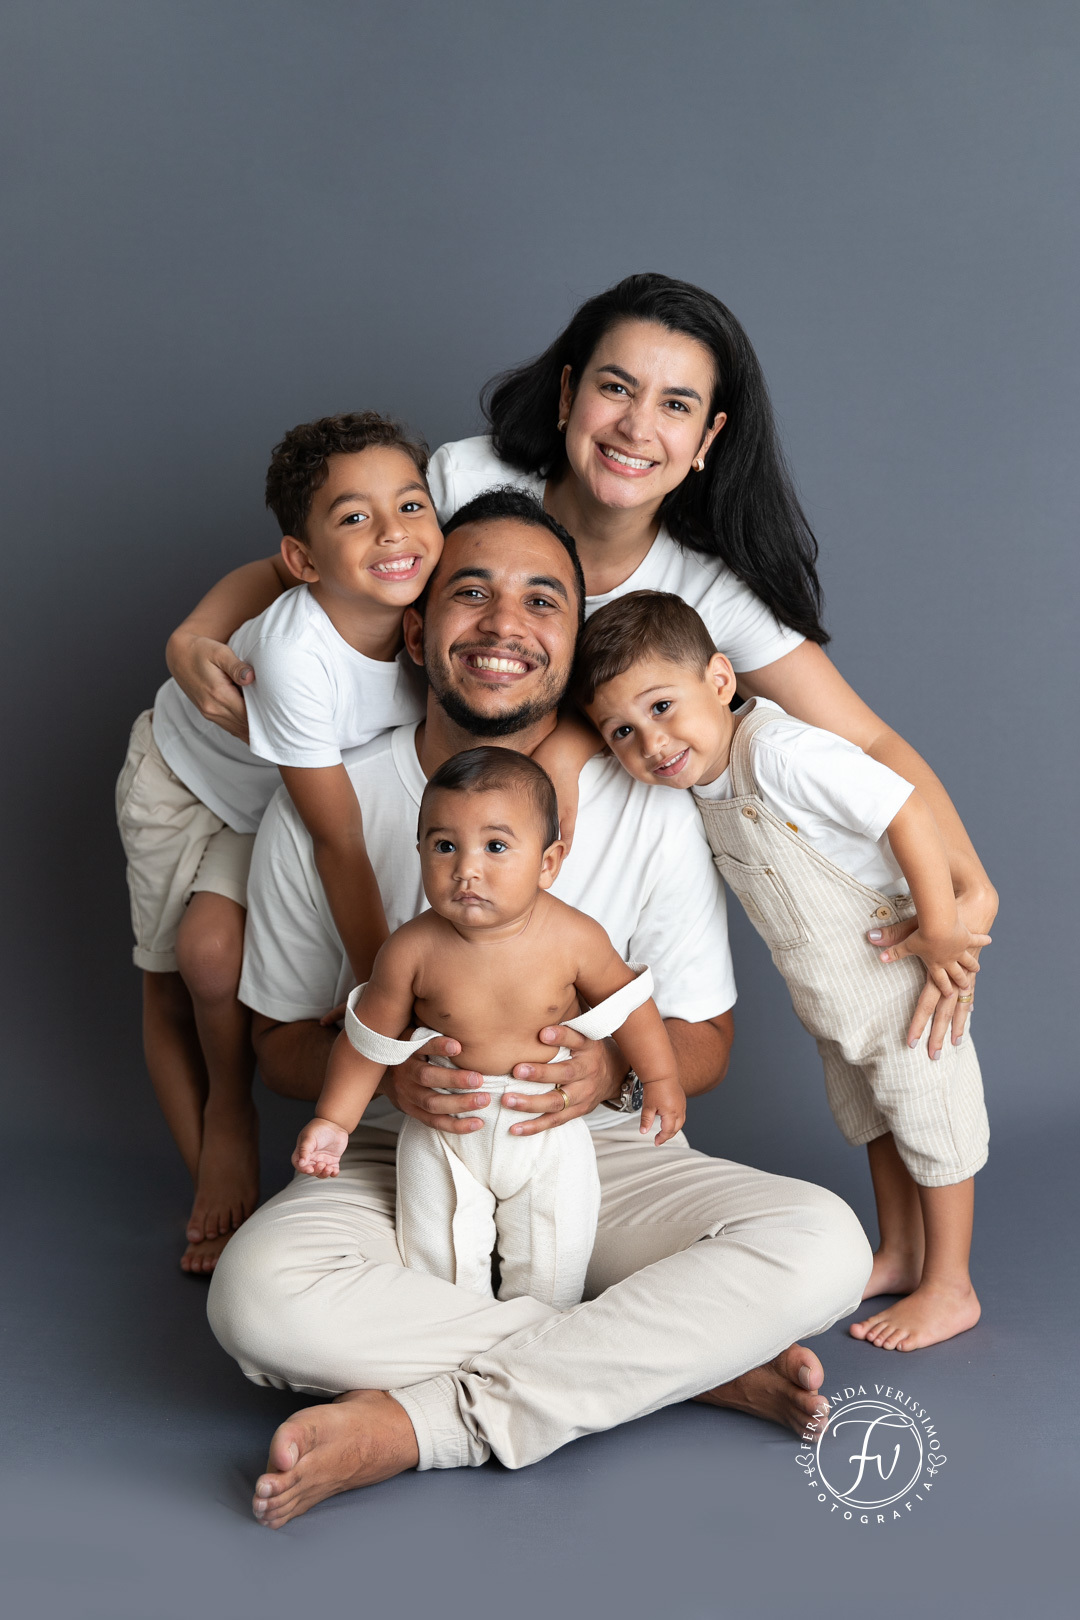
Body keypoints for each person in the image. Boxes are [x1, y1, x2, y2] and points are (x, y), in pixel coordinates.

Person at [206, 489, 873, 1529]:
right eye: (470, 593)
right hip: (401, 1151)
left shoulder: (642, 798)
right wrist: (388, 1078)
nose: (505, 624)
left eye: (543, 601)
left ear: (571, 646)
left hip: (590, 1148)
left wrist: (609, 1071)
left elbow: (703, 1039)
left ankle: (429, 1423)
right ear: (418, 633)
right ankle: (675, 1363)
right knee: (255, 1300)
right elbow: (281, 1046)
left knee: (824, 1244)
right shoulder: (328, 798)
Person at [164, 273, 998, 1064]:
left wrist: (969, 879)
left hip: (452, 809)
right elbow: (306, 570)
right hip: (289, 763)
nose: (637, 426)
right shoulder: (464, 482)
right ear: (567, 396)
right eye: (616, 387)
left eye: (676, 405)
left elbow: (867, 741)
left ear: (707, 440)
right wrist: (193, 635)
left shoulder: (710, 592)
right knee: (198, 959)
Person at [572, 590, 990, 1350]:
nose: (652, 742)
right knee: (877, 1118)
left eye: (662, 706)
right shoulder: (703, 785)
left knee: (932, 1120)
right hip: (834, 995)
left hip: (898, 977)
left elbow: (903, 809)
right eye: (623, 731)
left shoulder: (778, 752)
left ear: (720, 680)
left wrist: (938, 927)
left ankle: (950, 1284)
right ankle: (900, 1251)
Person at [115, 411, 442, 1272]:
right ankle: (226, 1116)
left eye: (411, 505)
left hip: (271, 803)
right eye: (355, 517)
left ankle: (236, 1103)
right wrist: (385, 996)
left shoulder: (429, 606)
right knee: (177, 975)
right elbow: (339, 840)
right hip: (184, 779)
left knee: (213, 953)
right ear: (306, 559)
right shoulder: (301, 654)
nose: (394, 533)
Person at [294, 746, 683, 1309]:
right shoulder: (409, 950)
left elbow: (631, 1006)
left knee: (554, 1263)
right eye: (444, 846)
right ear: (420, 851)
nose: (466, 869)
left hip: (545, 1126)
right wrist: (334, 1121)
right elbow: (367, 1043)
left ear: (548, 862)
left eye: (495, 846)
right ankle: (458, 1331)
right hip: (444, 1131)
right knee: (440, 1267)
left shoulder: (575, 938)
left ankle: (540, 1333)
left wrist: (661, 1079)